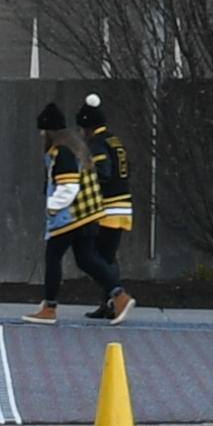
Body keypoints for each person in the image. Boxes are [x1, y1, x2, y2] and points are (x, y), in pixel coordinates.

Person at [28, 103, 100, 323]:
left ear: (50, 131)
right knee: (86, 259)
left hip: (66, 217)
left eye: (43, 130)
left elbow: (68, 185)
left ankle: (49, 307)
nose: (41, 134)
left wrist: (53, 206)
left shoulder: (62, 153)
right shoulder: (72, 149)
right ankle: (117, 293)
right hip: (80, 215)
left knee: (53, 258)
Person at [71, 92, 135, 322]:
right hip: (123, 205)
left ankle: (117, 297)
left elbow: (103, 172)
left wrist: (84, 184)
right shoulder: (114, 141)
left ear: (87, 127)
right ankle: (109, 304)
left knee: (94, 257)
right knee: (107, 257)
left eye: (81, 128)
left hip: (109, 208)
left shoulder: (96, 144)